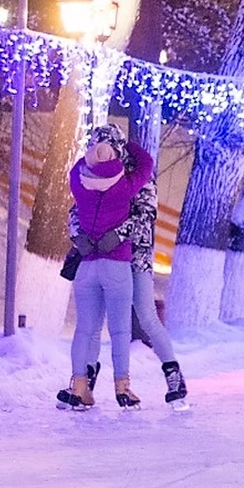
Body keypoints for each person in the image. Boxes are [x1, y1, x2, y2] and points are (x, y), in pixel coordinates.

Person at [61, 125, 188, 410]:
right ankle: (85, 381)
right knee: (93, 323)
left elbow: (146, 217)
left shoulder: (140, 179)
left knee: (145, 316)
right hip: (104, 255)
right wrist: (78, 235)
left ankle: (174, 376)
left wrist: (115, 236)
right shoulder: (94, 172)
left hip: (136, 256)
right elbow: (75, 210)